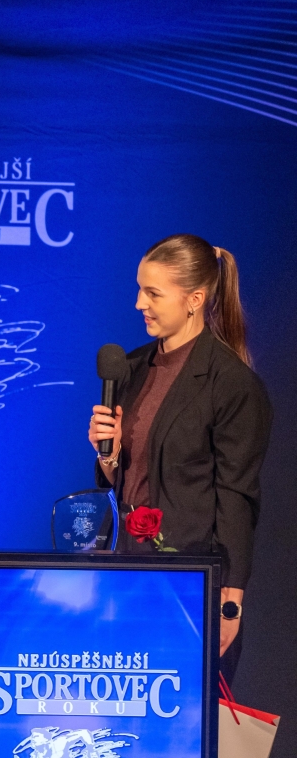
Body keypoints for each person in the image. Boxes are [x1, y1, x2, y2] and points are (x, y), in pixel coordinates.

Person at [88, 234, 271, 683]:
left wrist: (230, 603)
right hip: (122, 576)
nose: (139, 303)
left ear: (194, 300)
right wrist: (108, 454)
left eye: (153, 293)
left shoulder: (231, 384)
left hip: (188, 584)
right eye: (139, 289)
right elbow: (120, 479)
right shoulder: (131, 368)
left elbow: (237, 497)